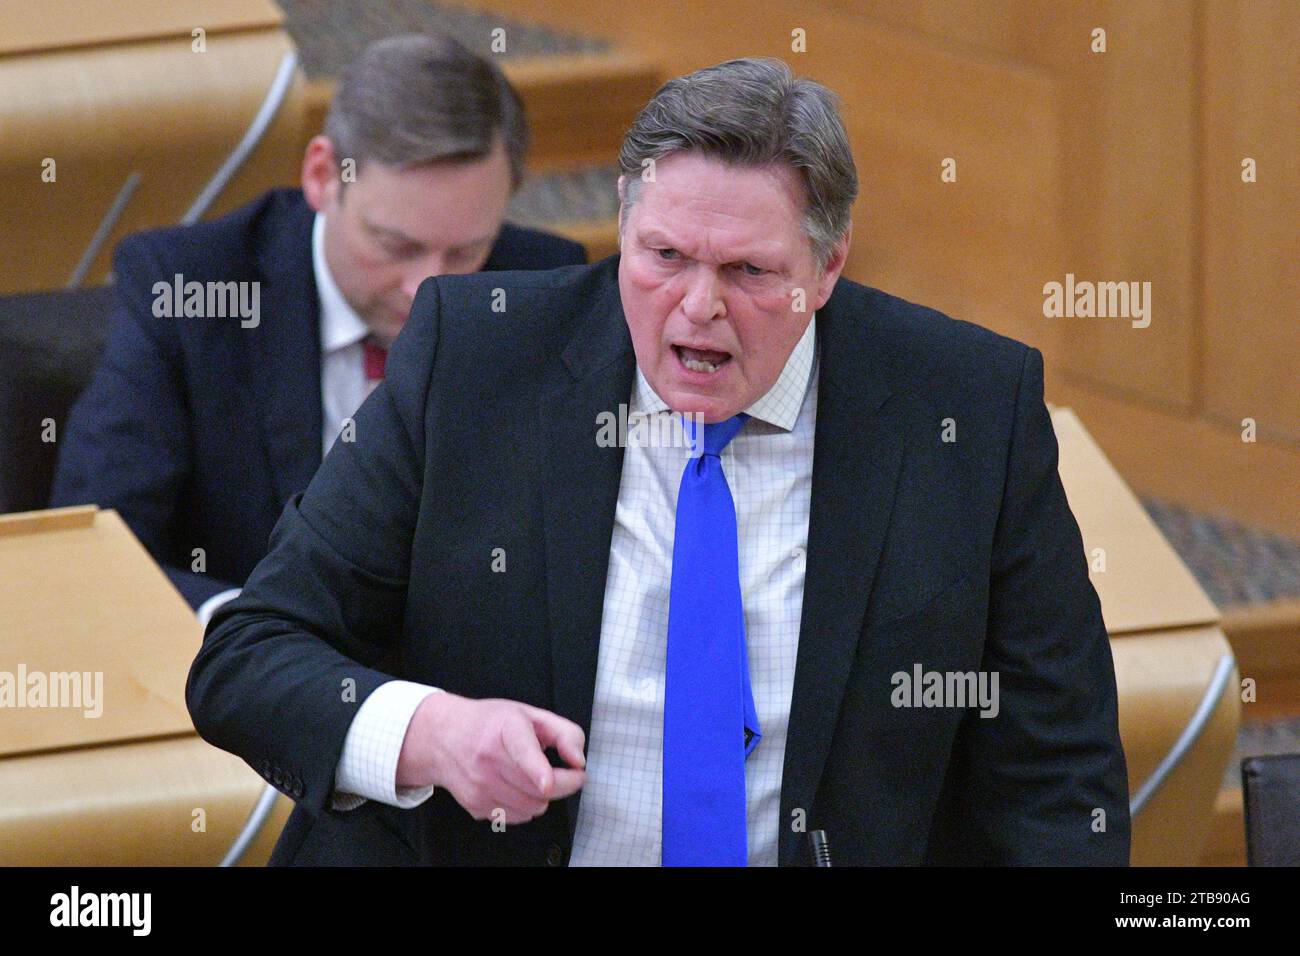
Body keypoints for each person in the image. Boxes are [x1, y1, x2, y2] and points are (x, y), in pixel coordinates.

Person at [187, 57, 1131, 866]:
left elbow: (1056, 774)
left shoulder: (965, 408)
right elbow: (249, 656)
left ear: (829, 265)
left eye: (749, 273)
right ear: (625, 227)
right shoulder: (476, 362)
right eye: (664, 255)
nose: (696, 308)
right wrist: (432, 734)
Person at [49, 34, 585, 614]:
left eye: (465, 252)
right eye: (395, 244)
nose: (428, 289)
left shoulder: (545, 286)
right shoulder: (190, 289)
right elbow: (96, 545)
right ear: (324, 175)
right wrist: (251, 641)